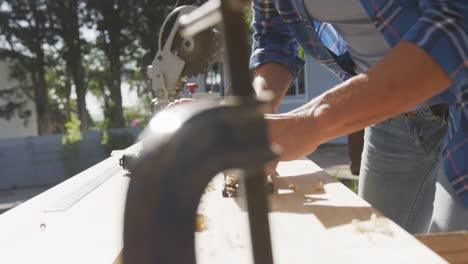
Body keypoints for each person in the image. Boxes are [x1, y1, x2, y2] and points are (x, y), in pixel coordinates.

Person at [250, 0, 468, 234]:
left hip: (461, 101)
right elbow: (273, 35)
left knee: (452, 246)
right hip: (388, 114)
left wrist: (313, 120)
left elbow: (456, 27)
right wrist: (255, 116)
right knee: (378, 244)